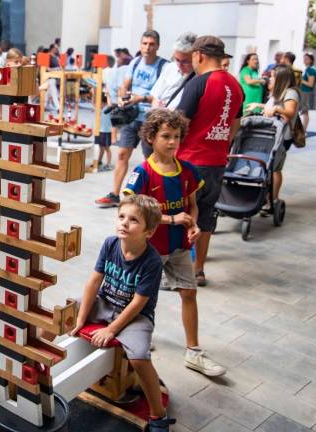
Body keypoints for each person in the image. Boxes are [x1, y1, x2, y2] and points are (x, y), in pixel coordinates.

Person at [46, 195, 175, 432]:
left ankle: (158, 416)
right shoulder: (110, 244)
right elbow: (94, 282)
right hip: (104, 302)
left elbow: (138, 303)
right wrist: (81, 318)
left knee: (138, 357)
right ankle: (34, 359)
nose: (124, 223)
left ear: (149, 231)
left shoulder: (152, 262)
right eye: (121, 217)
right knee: (61, 313)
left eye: (134, 220)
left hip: (135, 317)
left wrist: (112, 329)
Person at [122, 109, 227, 377]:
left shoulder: (189, 171)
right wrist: (169, 219)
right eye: (165, 136)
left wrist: (193, 225)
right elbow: (129, 208)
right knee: (141, 297)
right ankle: (134, 338)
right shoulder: (142, 172)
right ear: (150, 138)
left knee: (189, 293)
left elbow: (192, 207)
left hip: (180, 247)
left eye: (177, 136)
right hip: (150, 250)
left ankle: (193, 351)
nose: (172, 142)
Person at [175, 35, 244, 287]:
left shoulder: (198, 83)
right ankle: (198, 270)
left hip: (190, 161)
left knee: (179, 214)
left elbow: (180, 123)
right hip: (216, 161)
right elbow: (236, 123)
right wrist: (220, 141)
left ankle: (176, 269)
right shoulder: (236, 86)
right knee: (205, 216)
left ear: (199, 55)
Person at [95, 30, 168, 208]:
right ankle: (114, 194)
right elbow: (124, 86)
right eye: (144, 43)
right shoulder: (135, 62)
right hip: (131, 115)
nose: (147, 47)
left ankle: (149, 198)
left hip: (151, 118)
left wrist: (141, 98)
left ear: (158, 46)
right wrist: (121, 97)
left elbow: (164, 96)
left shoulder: (165, 67)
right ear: (140, 45)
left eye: (151, 44)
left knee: (150, 159)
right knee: (122, 154)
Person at [247, 65, 300, 205]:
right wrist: (259, 105)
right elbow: (272, 109)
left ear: (281, 78)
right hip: (272, 134)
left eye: (273, 76)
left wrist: (276, 108)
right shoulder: (278, 93)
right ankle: (266, 196)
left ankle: (273, 199)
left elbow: (290, 111)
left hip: (282, 137)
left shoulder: (290, 93)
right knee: (269, 166)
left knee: (275, 169)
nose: (270, 78)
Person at [149, 32, 197, 110]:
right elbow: (155, 97)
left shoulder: (198, 77)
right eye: (177, 60)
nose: (179, 65)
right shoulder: (169, 68)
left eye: (185, 61)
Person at [299, 52, 316, 131]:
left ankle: (303, 130)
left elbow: (310, 84)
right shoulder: (307, 69)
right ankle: (303, 129)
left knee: (305, 112)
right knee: (304, 112)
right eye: (304, 58)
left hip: (307, 93)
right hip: (304, 92)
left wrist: (301, 80)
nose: (304, 60)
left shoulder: (311, 70)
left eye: (306, 59)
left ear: (311, 60)